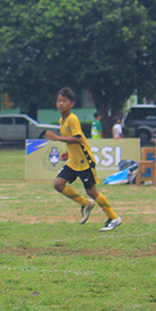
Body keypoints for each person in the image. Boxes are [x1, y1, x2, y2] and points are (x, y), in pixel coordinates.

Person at [44, 87, 121, 231]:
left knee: (92, 191)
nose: (61, 104)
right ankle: (85, 204)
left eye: (64, 101)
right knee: (58, 184)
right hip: (73, 161)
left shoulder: (72, 119)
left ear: (72, 104)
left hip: (84, 162)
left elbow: (79, 139)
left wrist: (57, 138)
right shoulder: (62, 120)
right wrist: (68, 151)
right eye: (59, 101)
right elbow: (73, 139)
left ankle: (114, 217)